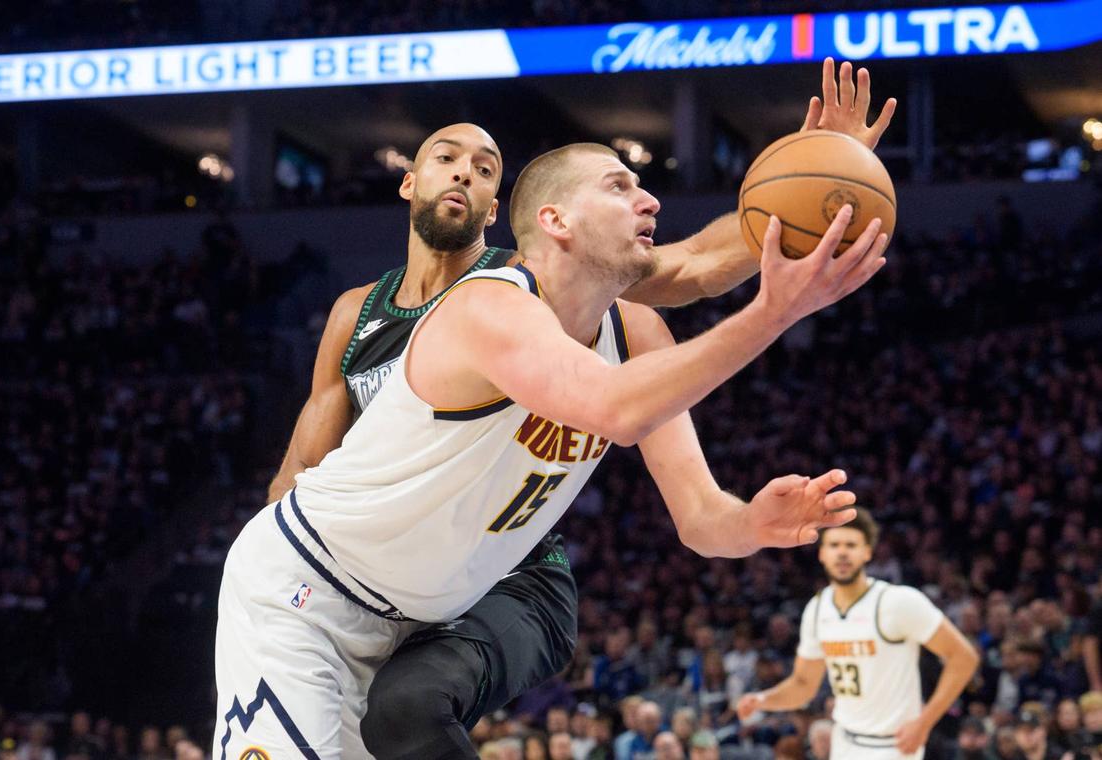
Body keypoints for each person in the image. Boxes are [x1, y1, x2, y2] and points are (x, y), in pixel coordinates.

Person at [261, 58, 896, 760]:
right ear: (408, 179)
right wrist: (280, 598)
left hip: (510, 568)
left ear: (503, 210)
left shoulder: (536, 284)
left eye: (485, 167)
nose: (465, 173)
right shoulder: (361, 315)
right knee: (376, 730)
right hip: (392, 567)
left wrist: (821, 178)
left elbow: (692, 265)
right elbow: (302, 475)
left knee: (408, 711)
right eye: (447, 157)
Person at [736, 509, 981, 760]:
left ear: (867, 552)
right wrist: (762, 700)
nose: (842, 552)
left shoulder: (897, 602)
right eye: (834, 545)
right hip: (844, 741)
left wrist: (924, 722)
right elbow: (803, 685)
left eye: (851, 545)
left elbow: (964, 657)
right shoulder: (817, 608)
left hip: (894, 745)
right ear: (822, 554)